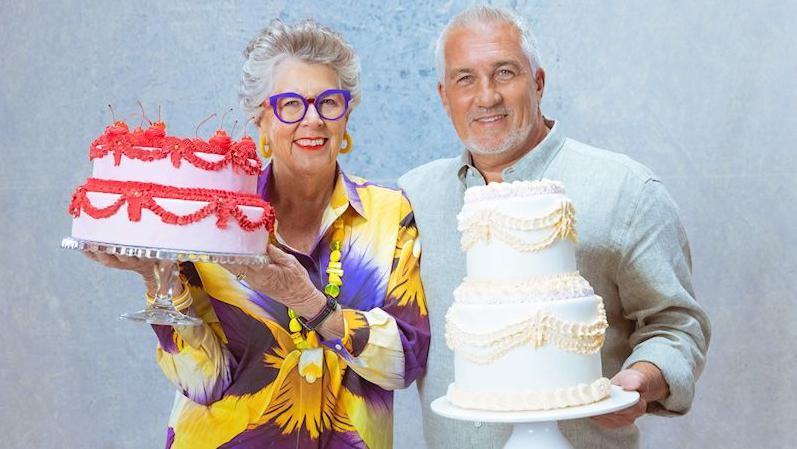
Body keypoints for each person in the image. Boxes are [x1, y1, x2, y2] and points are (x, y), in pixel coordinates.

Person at [86, 19, 429, 449]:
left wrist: (311, 304)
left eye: (329, 102)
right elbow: (204, 382)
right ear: (260, 117)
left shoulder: (390, 214)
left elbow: (406, 362)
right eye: (290, 104)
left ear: (347, 115)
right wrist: (159, 281)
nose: (313, 120)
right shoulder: (214, 220)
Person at [397, 6, 710, 449]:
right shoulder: (413, 198)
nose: (487, 97)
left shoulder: (627, 191)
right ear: (444, 96)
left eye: (504, 73)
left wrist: (646, 377)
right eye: (465, 79)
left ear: (538, 82)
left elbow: (676, 324)